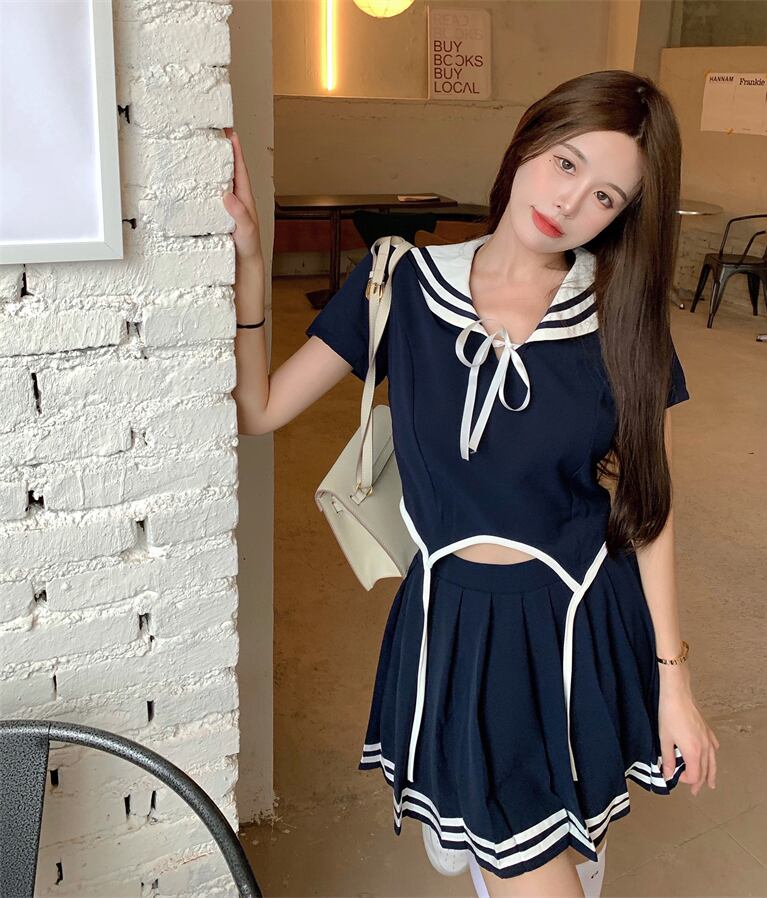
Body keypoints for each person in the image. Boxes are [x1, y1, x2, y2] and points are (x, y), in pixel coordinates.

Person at [225, 68, 720, 898]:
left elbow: (649, 508)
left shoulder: (618, 316)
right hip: (454, 627)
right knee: (533, 852)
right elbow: (259, 408)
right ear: (530, 141)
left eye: (604, 197)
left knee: (554, 853)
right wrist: (249, 260)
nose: (569, 203)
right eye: (566, 163)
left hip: (576, 622)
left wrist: (675, 680)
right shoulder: (401, 285)